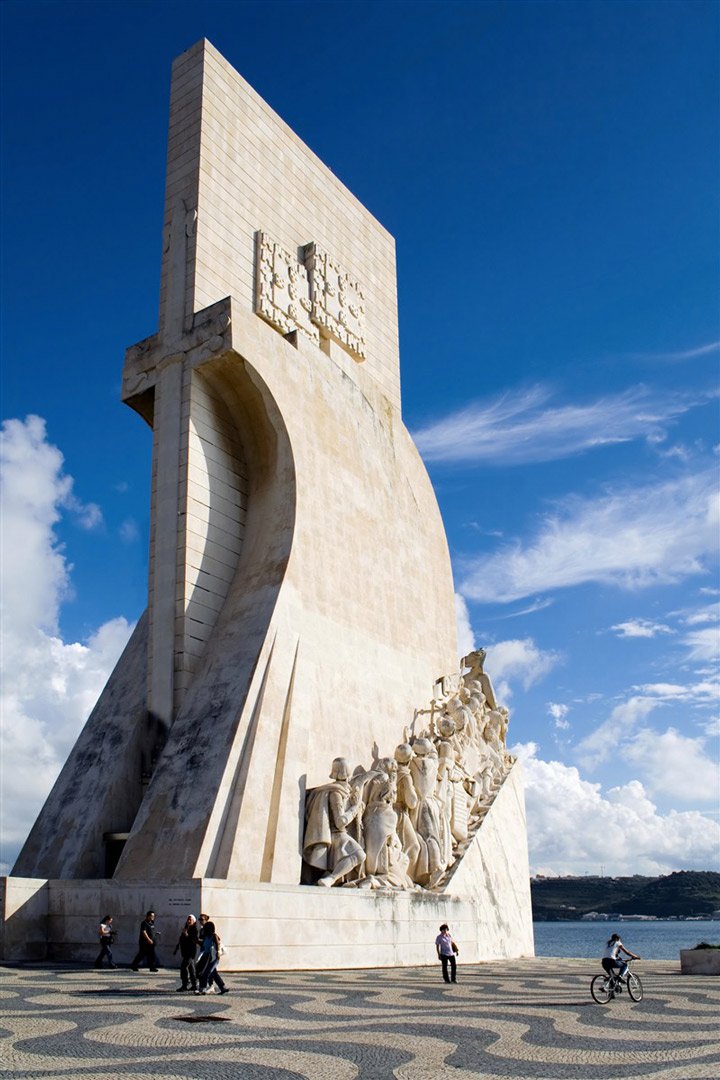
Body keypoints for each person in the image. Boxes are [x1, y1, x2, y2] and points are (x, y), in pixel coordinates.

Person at [195, 914, 229, 995]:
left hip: (213, 957)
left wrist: (217, 952)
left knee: (206, 973)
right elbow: (204, 943)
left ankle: (202, 989)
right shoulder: (206, 937)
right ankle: (223, 988)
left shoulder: (213, 935)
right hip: (207, 956)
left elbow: (217, 943)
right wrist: (196, 940)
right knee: (214, 973)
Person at [173, 914, 199, 992]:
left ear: (194, 921)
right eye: (188, 919)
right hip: (185, 951)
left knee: (184, 967)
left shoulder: (194, 930)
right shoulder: (186, 928)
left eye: (190, 920)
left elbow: (193, 940)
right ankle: (194, 984)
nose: (188, 921)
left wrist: (186, 934)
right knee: (191, 968)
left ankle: (185, 984)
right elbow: (182, 940)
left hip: (190, 952)